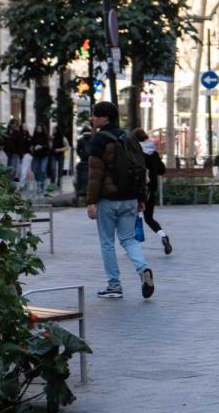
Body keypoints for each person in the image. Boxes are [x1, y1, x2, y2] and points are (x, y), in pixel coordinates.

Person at [86, 101, 154, 299]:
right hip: (130, 197)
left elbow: (95, 174)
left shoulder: (99, 140)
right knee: (128, 239)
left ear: (104, 118)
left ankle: (114, 285)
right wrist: (141, 197)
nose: (93, 118)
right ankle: (143, 269)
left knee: (107, 242)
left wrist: (91, 201)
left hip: (108, 200)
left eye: (95, 115)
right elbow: (140, 168)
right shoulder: (129, 137)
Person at [133, 128, 172, 255]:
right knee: (149, 218)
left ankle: (133, 245)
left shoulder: (136, 152)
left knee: (133, 217)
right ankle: (163, 236)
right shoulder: (153, 153)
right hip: (151, 189)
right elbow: (162, 170)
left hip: (137, 189)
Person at [30, 124, 51, 192]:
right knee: (36, 170)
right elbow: (31, 144)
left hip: (44, 155)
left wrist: (41, 147)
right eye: (37, 128)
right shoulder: (34, 136)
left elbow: (48, 146)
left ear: (42, 129)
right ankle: (38, 184)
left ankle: (42, 185)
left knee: (42, 170)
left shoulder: (45, 137)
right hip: (36, 155)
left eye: (40, 128)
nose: (38, 129)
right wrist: (33, 148)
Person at [75, 125, 92, 203]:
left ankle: (82, 191)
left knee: (82, 177)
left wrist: (81, 156)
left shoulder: (80, 140)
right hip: (91, 160)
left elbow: (78, 150)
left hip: (84, 160)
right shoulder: (93, 139)